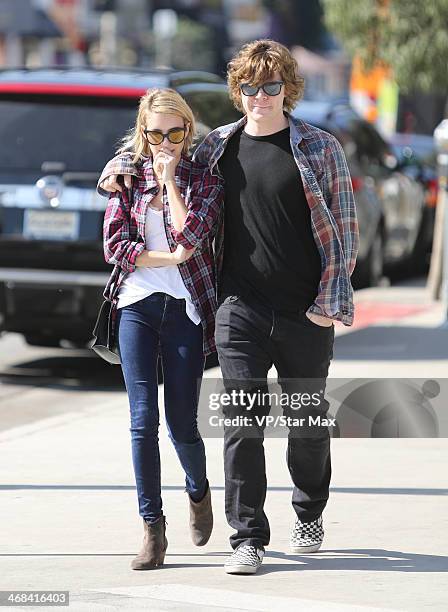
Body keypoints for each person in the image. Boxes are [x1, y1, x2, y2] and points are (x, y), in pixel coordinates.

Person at [98, 40, 359, 575]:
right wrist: (116, 165)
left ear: (288, 88)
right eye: (249, 87)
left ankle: (309, 507)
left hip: (304, 310)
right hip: (238, 307)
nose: (260, 97)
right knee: (243, 423)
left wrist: (326, 303)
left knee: (306, 424)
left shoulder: (319, 147)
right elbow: (156, 152)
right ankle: (248, 536)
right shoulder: (217, 146)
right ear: (237, 93)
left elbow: (346, 231)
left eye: (271, 87)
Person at [101, 88, 224, 570]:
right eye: (157, 133)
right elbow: (115, 246)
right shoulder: (125, 174)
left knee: (181, 424)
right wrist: (162, 258)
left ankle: (198, 490)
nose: (166, 141)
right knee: (140, 421)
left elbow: (191, 235)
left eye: (176, 132)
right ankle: (153, 530)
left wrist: (171, 182)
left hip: (185, 311)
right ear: (143, 131)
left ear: (188, 130)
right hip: (136, 305)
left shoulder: (203, 178)